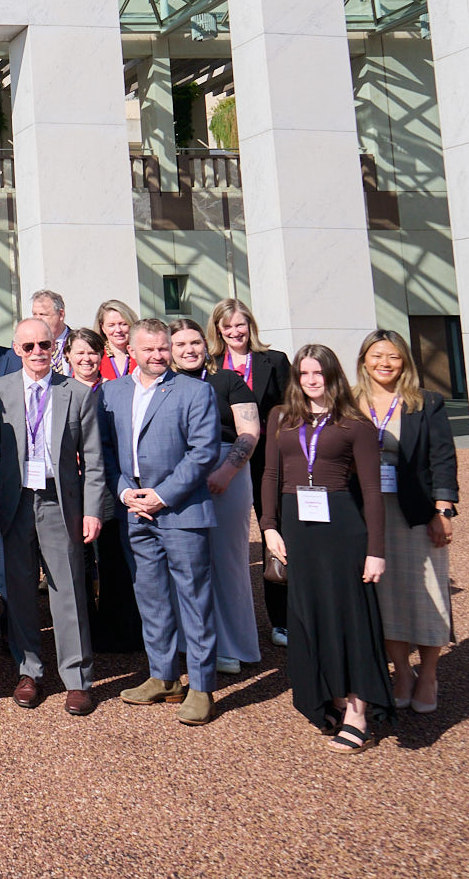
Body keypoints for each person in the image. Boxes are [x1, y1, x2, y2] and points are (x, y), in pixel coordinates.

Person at [260, 344, 392, 752]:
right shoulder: (281, 416)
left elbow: (371, 491)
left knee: (351, 618)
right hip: (298, 527)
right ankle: (330, 697)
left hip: (342, 529)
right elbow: (269, 475)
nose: (311, 380)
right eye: (304, 374)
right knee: (310, 617)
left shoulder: (355, 424)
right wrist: (268, 527)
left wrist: (376, 549)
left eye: (319, 373)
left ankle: (357, 710)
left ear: (333, 376)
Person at [102, 318, 222, 726]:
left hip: (181, 511)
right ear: (130, 350)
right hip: (133, 510)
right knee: (150, 596)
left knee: (194, 598)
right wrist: (124, 492)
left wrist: (162, 495)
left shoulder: (195, 390)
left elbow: (204, 452)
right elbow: (103, 451)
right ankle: (164, 676)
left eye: (163, 348)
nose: (158, 355)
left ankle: (203, 687)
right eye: (149, 349)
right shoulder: (111, 392)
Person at [0, 319, 107, 715]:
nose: (37, 351)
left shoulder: (76, 393)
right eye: (28, 346)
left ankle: (76, 677)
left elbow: (94, 459)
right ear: (16, 348)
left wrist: (93, 510)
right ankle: (29, 670)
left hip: (61, 501)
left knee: (69, 590)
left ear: (55, 347)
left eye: (44, 344)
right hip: (16, 502)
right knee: (19, 589)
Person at [355, 329, 456, 714]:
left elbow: (443, 457)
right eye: (377, 355)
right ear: (364, 359)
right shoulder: (350, 402)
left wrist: (442, 510)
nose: (385, 363)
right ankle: (402, 671)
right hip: (367, 513)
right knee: (386, 596)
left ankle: (429, 672)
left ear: (405, 362)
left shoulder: (425, 403)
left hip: (416, 512)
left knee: (427, 591)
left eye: (394, 356)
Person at [169, 317, 262, 675]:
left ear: (205, 345)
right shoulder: (169, 384)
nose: (189, 349)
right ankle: (189, 641)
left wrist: (228, 470)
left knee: (227, 562)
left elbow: (249, 430)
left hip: (227, 473)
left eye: (194, 342)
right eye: (180, 344)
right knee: (187, 563)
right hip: (181, 474)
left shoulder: (227, 380)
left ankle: (231, 645)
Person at [209, 298, 292, 646]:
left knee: (275, 535)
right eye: (226, 326)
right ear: (217, 330)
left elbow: (290, 409)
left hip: (270, 461)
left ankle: (282, 621)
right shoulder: (211, 365)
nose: (234, 332)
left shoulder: (275, 361)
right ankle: (229, 625)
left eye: (239, 325)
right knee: (227, 543)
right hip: (228, 461)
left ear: (250, 325)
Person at [69, 329, 142, 654]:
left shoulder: (113, 391)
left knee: (114, 558)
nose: (87, 359)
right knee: (79, 562)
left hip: (110, 485)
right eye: (80, 353)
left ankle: (120, 631)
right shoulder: (60, 390)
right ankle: (86, 632)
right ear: (68, 355)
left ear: (102, 355)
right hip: (73, 486)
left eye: (93, 353)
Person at [97, 300, 139, 381]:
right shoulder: (95, 355)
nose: (118, 330)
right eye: (111, 325)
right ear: (102, 328)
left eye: (123, 324)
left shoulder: (141, 354)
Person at [30, 289, 71, 357]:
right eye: (34, 314)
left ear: (61, 315)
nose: (37, 319)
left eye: (42, 314)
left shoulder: (79, 341)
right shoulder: (27, 345)